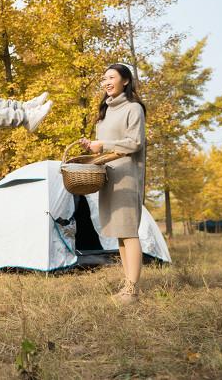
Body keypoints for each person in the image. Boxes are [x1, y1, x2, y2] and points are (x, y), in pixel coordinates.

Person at [80, 63, 146, 305]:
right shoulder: (104, 112)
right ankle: (127, 286)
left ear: (125, 81)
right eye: (104, 78)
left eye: (112, 77)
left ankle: (132, 291)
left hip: (127, 177)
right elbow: (106, 145)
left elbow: (134, 143)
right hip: (108, 175)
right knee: (119, 233)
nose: (106, 82)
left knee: (129, 231)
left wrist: (104, 145)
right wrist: (92, 147)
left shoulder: (133, 108)